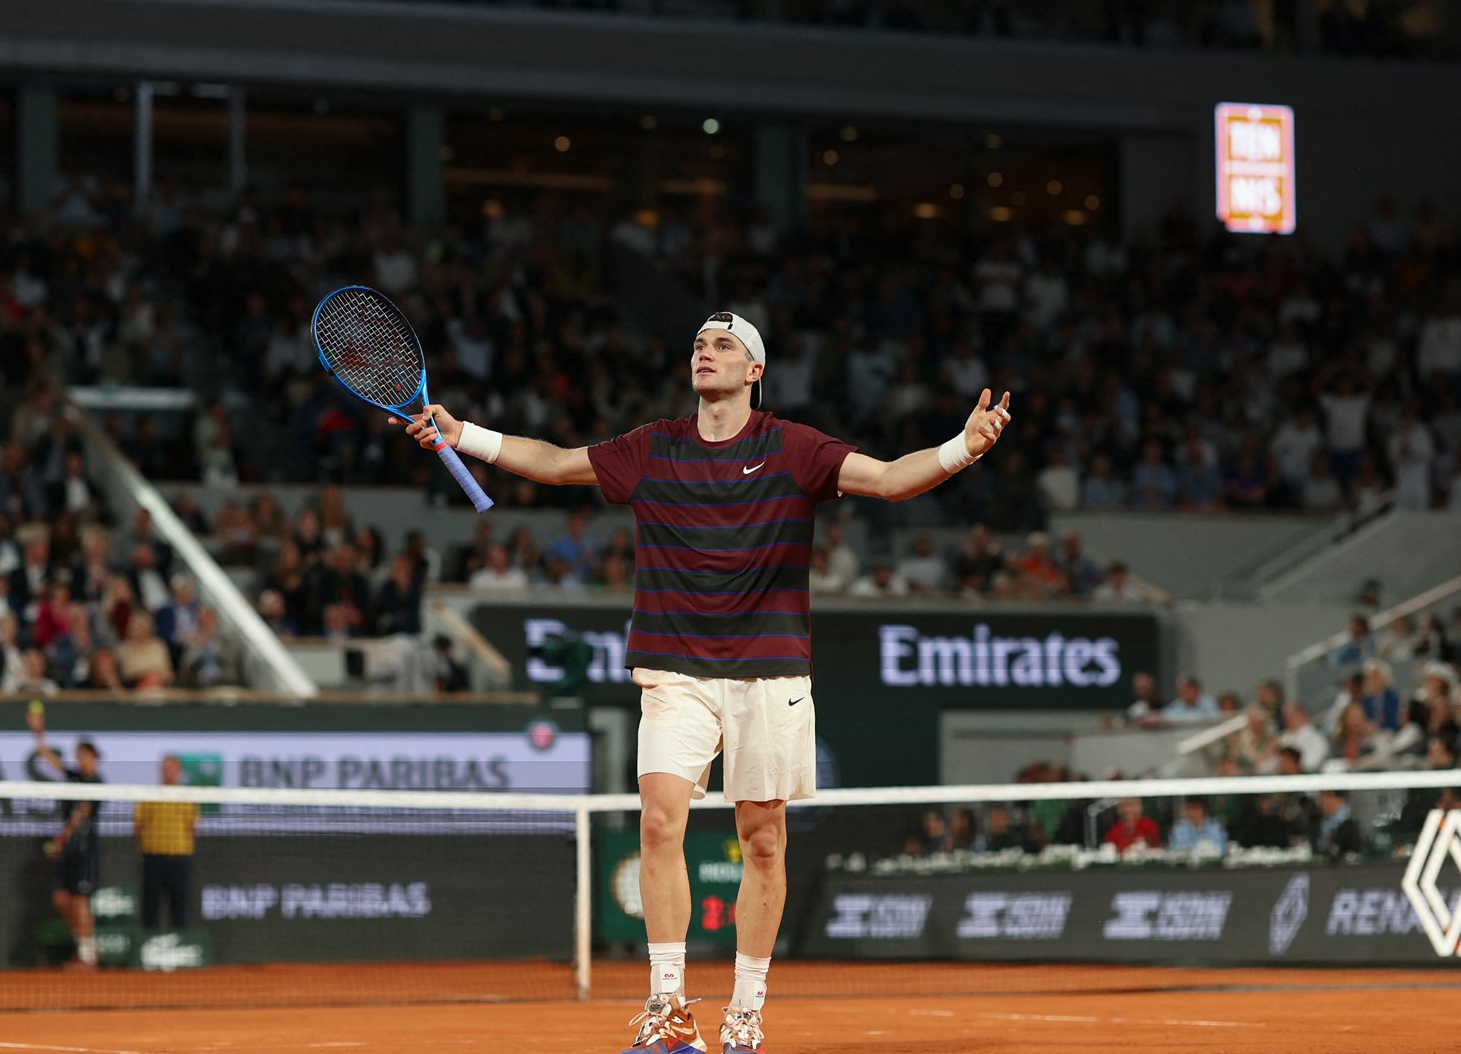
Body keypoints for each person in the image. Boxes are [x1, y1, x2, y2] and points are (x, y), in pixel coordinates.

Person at [398, 310, 1011, 1054]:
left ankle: (745, 1014)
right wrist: (463, 435)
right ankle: (669, 1013)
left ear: (755, 371)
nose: (705, 352)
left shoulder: (793, 446)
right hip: (674, 665)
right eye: (698, 344)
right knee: (659, 822)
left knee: (762, 844)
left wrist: (962, 449)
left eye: (723, 345)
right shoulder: (652, 447)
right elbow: (558, 463)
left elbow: (885, 480)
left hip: (770, 669)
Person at [28, 705, 103, 970]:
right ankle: (87, 944)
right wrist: (38, 731)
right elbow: (46, 755)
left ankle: (86, 955)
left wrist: (62, 837)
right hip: (69, 850)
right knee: (61, 900)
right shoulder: (74, 777)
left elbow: (82, 813)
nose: (80, 759)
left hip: (85, 851)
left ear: (94, 757)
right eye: (78, 755)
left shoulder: (97, 784)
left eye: (84, 755)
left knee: (81, 901)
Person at [132, 755, 200, 935]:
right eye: (165, 768)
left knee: (179, 908)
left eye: (172, 768)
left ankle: (180, 950)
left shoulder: (187, 797)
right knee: (150, 908)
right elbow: (138, 828)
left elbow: (192, 827)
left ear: (179, 772)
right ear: (160, 771)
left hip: (179, 860)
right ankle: (148, 951)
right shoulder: (149, 795)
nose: (168, 772)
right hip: (153, 859)